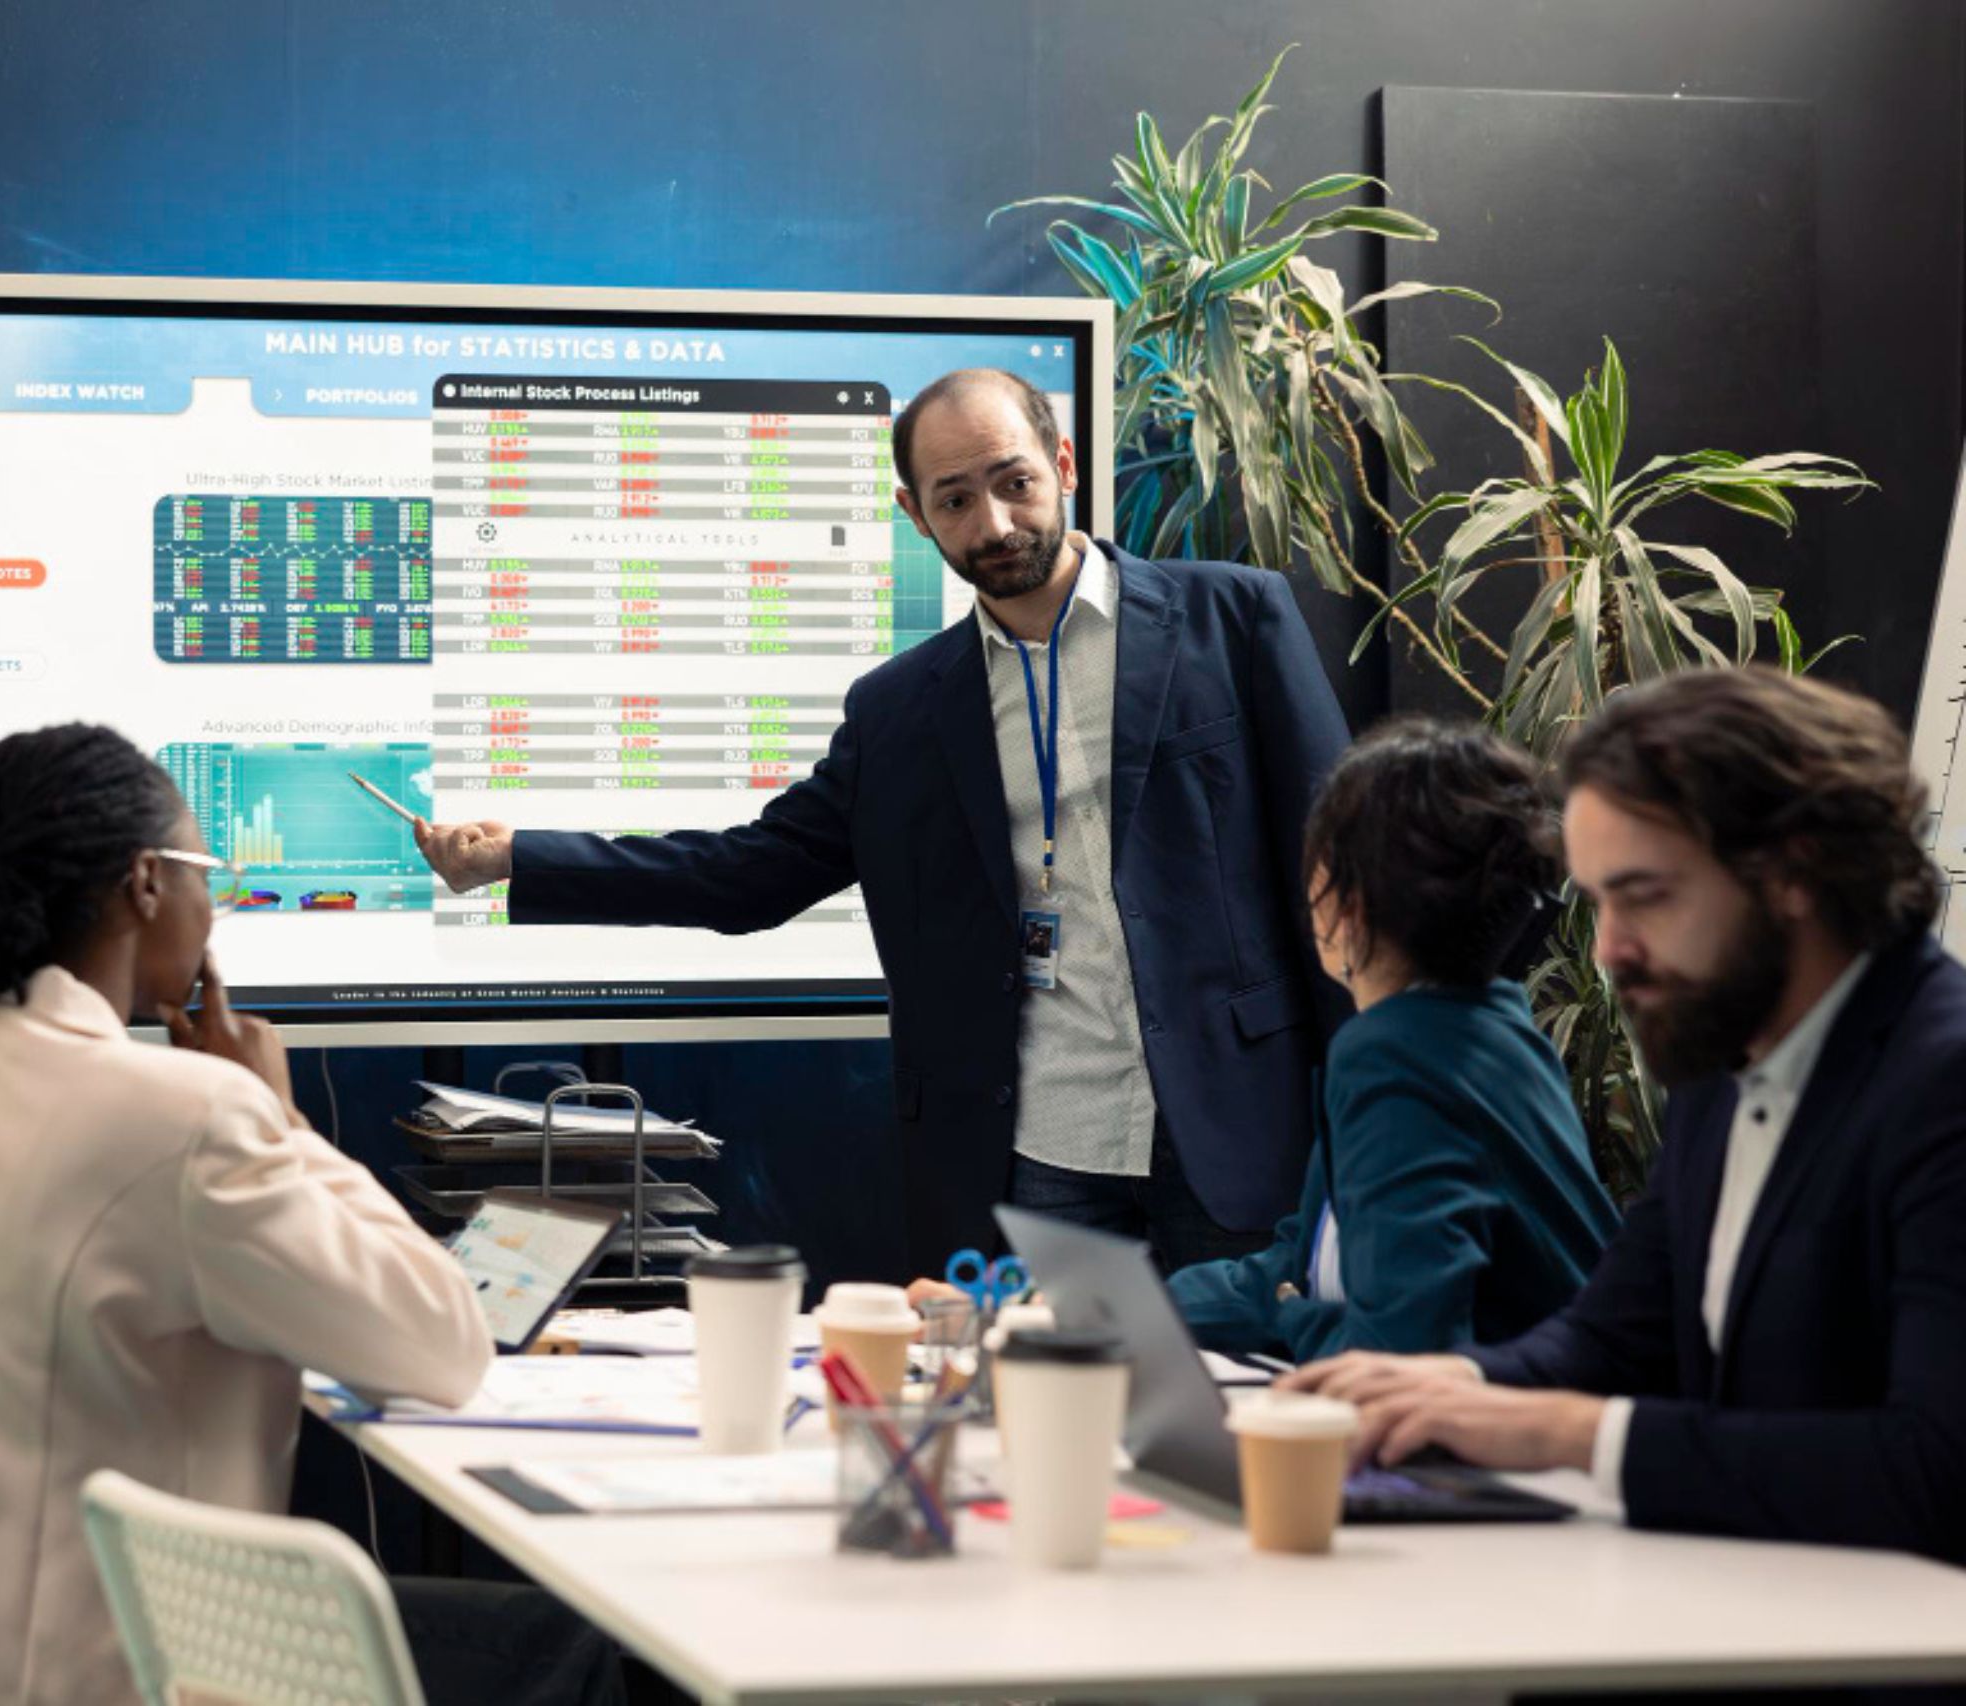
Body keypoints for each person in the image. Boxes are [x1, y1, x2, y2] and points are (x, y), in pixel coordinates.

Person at [0, 724, 631, 1706]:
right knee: (565, 1640)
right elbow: (444, 1344)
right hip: (154, 1660)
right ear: (145, 882)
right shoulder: (188, 1114)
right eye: (204, 869)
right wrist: (283, 1117)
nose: (213, 903)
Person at [415, 369, 1351, 1273]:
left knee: (1246, 1419)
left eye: (1014, 483)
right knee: (1030, 1423)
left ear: (1062, 465)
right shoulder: (901, 709)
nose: (992, 523)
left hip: (1234, 1124)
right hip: (1033, 1153)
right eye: (952, 501)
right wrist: (516, 860)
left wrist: (1366, 1109)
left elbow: (1342, 875)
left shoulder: (1231, 619)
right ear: (914, 514)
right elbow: (751, 875)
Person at [1288, 667, 1966, 1564]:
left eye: (1645, 896)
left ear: (1797, 871)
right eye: (1598, 901)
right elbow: (1610, 1338)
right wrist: (1446, 1382)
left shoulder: (1942, 1085)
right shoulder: (1725, 1059)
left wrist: (1575, 1435)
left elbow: (1937, 1473)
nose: (1609, 951)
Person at [1163, 719, 1618, 1360]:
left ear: (1347, 904)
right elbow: (1303, 1261)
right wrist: (1135, 1306)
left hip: (1485, 1443)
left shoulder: (1394, 1054)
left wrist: (1292, 1315)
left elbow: (1398, 1356)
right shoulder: (1495, 1023)